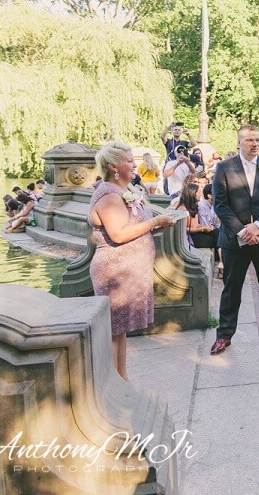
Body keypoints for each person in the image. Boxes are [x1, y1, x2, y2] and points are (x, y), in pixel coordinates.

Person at [88, 141, 175, 380]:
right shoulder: (109, 195)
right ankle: (111, 383)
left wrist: (160, 226)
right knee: (114, 330)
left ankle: (122, 378)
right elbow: (117, 234)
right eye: (129, 161)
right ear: (114, 166)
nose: (134, 164)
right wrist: (155, 223)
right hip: (115, 271)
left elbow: (133, 228)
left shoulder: (121, 192)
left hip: (129, 270)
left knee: (120, 330)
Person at [211, 125, 259, 355]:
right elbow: (220, 205)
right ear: (239, 142)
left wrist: (257, 226)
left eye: (257, 139)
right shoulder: (224, 168)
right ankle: (224, 334)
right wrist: (243, 230)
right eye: (249, 140)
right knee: (231, 288)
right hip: (235, 241)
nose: (254, 144)